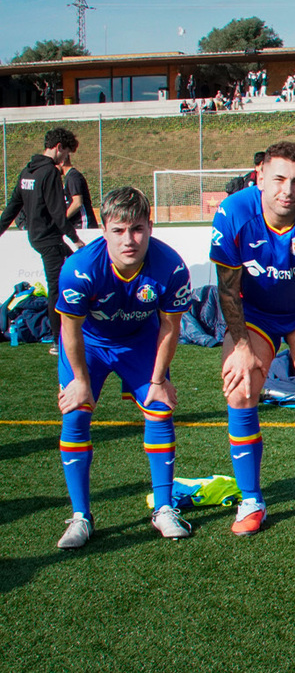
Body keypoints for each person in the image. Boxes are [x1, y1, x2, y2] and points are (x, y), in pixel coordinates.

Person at [210, 141, 295, 536]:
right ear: (260, 178)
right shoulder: (233, 212)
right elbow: (226, 287)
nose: (288, 190)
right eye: (279, 179)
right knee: (240, 388)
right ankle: (251, 499)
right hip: (253, 315)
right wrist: (239, 348)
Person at [52, 186, 192, 548]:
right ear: (104, 230)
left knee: (160, 409)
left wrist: (159, 379)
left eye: (138, 229)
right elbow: (70, 330)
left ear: (150, 226)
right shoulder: (79, 269)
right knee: (76, 412)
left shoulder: (171, 266)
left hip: (141, 341)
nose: (129, 240)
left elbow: (170, 327)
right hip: (90, 345)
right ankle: (81, 516)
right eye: (118, 230)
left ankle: (164, 510)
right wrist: (79, 381)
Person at [0, 128, 86, 355]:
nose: (65, 157)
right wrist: (76, 239)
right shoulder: (49, 173)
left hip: (36, 237)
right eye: (66, 152)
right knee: (57, 288)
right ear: (59, 147)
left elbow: (12, 207)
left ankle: (77, 329)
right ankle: (58, 342)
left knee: (73, 271)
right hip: (49, 239)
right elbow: (59, 213)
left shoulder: (27, 172)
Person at [61, 151, 97, 230]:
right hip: (77, 225)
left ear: (62, 162)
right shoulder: (69, 178)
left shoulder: (73, 177)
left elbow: (77, 203)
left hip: (83, 224)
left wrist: (62, 220)